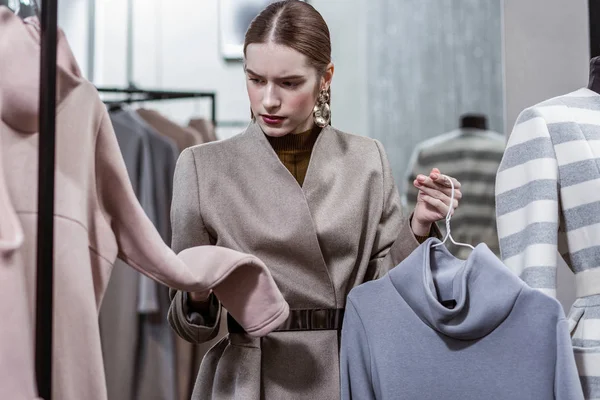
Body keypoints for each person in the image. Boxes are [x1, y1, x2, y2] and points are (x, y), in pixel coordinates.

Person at [167, 1, 462, 399]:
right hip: (251, 378)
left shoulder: (366, 160)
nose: (268, 100)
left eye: (288, 83)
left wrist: (420, 224)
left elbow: (388, 293)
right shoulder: (203, 167)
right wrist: (199, 294)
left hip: (345, 371)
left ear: (326, 78)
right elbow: (188, 326)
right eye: (255, 80)